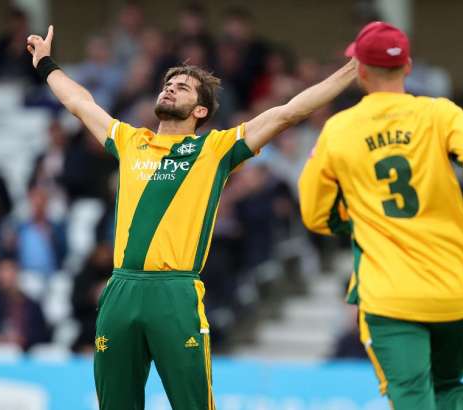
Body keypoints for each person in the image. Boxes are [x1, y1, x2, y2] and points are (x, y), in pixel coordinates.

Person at [25, 25, 356, 410]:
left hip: (175, 293)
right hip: (121, 290)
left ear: (200, 110)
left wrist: (351, 71)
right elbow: (80, 103)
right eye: (168, 84)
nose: (170, 88)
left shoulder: (214, 150)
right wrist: (47, 64)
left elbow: (288, 113)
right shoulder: (131, 142)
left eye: (182, 87)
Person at [298, 22, 463, 410]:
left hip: (390, 296)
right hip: (454, 290)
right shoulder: (439, 114)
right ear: (407, 67)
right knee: (450, 387)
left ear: (360, 70)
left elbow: (313, 212)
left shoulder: (339, 130)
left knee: (412, 400)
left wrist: (356, 220)